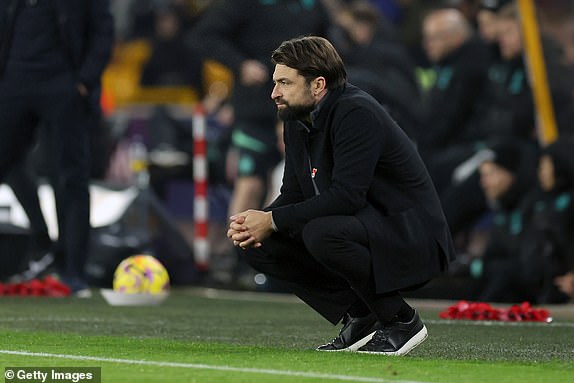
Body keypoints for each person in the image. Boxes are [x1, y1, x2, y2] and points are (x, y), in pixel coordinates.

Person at [227, 36, 455, 355]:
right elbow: (293, 193)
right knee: (258, 243)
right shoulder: (296, 121)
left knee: (321, 233)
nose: (274, 93)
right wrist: (255, 224)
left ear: (318, 84)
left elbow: (348, 196)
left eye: (284, 83)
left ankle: (401, 321)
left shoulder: (355, 112)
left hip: (413, 234)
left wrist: (272, 219)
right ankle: (361, 315)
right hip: (367, 227)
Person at [0, 0, 114, 295]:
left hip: (63, 83)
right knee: (8, 163)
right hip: (12, 80)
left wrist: (85, 80)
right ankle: (41, 239)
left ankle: (72, 270)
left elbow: (103, 30)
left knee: (70, 176)